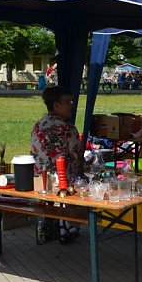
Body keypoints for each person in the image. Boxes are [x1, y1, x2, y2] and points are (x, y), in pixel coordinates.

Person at [32, 85, 84, 244]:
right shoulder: (67, 129)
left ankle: (56, 226)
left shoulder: (38, 125)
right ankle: (67, 225)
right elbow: (76, 157)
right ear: (56, 105)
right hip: (63, 183)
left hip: (40, 180)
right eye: (68, 102)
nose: (71, 106)